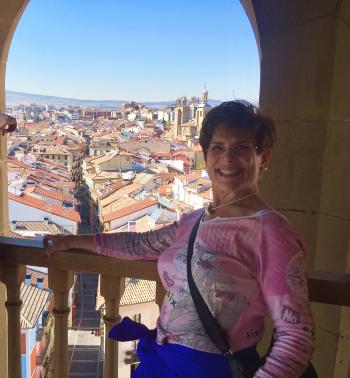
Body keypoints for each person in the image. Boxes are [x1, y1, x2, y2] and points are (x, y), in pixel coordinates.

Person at [44, 100, 314, 377]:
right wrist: (73, 241)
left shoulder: (271, 232)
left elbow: (296, 335)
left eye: (242, 148)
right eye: (217, 147)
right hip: (161, 362)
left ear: (263, 158)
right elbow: (140, 244)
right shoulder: (195, 220)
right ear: (206, 155)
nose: (227, 159)